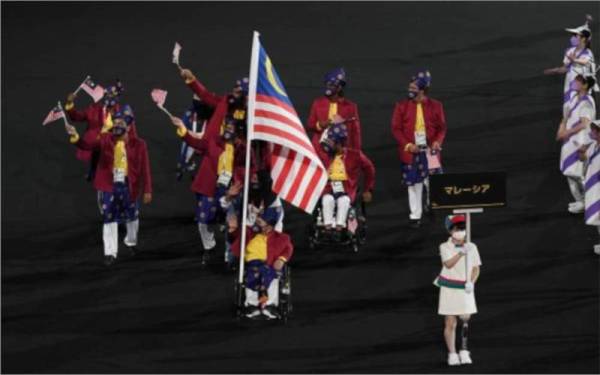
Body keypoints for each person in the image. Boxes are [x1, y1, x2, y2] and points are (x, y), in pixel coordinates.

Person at [65, 105, 152, 265]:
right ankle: (110, 252)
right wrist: (76, 137)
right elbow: (87, 146)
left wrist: (147, 190)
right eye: (116, 121)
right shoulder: (105, 138)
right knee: (109, 218)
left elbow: (145, 169)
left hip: (129, 186)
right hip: (109, 186)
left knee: (132, 217)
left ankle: (131, 242)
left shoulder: (140, 144)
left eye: (121, 122)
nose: (117, 125)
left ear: (129, 125)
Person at [171, 115, 246, 256]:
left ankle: (230, 255)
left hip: (231, 191)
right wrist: (182, 127)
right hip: (211, 189)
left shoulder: (241, 148)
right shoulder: (213, 142)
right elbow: (194, 142)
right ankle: (209, 247)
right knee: (203, 220)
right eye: (226, 127)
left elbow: (248, 164)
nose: (227, 130)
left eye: (231, 128)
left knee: (232, 224)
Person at [391, 70, 447, 228]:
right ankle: (415, 215)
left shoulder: (436, 106)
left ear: (422, 89)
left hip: (430, 150)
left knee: (431, 182)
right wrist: (408, 145)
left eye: (413, 87)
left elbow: (442, 128)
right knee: (414, 185)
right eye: (410, 87)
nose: (410, 90)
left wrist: (437, 141)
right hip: (411, 151)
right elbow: (396, 129)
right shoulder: (401, 106)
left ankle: (430, 204)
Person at [434, 215, 482, 366]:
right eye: (457, 229)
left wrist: (472, 283)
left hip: (465, 289)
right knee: (450, 322)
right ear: (450, 231)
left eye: (462, 228)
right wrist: (462, 252)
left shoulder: (472, 246)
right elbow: (448, 264)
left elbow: (476, 268)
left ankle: (464, 350)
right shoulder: (444, 246)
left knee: (465, 320)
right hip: (449, 287)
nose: (461, 231)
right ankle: (452, 353)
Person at [231, 206, 293, 319]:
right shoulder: (250, 233)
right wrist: (234, 228)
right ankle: (252, 304)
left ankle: (270, 305)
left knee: (272, 274)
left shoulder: (282, 237)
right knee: (252, 274)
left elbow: (288, 249)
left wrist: (282, 259)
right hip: (252, 264)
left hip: (270, 264)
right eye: (262, 225)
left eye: (267, 225)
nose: (264, 228)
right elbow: (236, 236)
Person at [317, 121, 375, 231]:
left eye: (331, 142)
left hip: (346, 189)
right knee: (327, 199)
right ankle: (328, 226)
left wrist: (368, 189)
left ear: (339, 143)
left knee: (343, 201)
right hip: (328, 188)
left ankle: (340, 226)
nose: (327, 145)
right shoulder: (324, 156)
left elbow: (369, 168)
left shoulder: (355, 155)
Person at [65, 81, 125, 180]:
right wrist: (69, 103)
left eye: (113, 95)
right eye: (108, 95)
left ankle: (116, 179)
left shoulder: (122, 113)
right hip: (97, 142)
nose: (110, 98)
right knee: (95, 158)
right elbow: (76, 117)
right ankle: (93, 174)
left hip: (114, 145)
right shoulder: (94, 109)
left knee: (116, 168)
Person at [556, 74, 597, 214]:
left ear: (585, 85)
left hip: (579, 142)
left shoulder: (586, 102)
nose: (574, 82)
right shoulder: (574, 98)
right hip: (570, 141)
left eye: (578, 81)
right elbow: (566, 116)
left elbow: (584, 124)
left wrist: (566, 133)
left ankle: (590, 202)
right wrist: (562, 129)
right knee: (569, 172)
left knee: (578, 174)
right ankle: (580, 201)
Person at [178, 67, 248, 142]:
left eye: (239, 92)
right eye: (235, 88)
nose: (234, 93)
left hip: (242, 150)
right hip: (220, 148)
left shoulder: (253, 111)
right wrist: (191, 79)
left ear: (246, 95)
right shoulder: (225, 102)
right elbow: (205, 95)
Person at [544, 15, 597, 102]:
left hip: (583, 89)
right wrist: (555, 70)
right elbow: (565, 68)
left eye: (575, 35)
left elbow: (585, 61)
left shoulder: (588, 53)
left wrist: (575, 60)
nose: (572, 38)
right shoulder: (569, 51)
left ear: (583, 39)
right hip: (569, 87)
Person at [307, 68, 362, 151]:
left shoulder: (351, 107)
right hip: (320, 152)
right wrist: (320, 125)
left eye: (332, 85)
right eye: (328, 84)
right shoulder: (318, 103)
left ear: (340, 87)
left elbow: (355, 134)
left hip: (340, 153)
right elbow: (309, 125)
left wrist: (355, 153)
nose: (329, 87)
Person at [176, 94, 214, 181]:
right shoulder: (190, 112)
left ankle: (198, 174)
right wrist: (192, 134)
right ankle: (182, 168)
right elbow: (183, 126)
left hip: (204, 141)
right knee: (185, 154)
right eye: (195, 102)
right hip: (191, 138)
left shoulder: (210, 112)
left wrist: (201, 135)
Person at [580, 119, 600, 255]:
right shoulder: (594, 146)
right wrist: (581, 153)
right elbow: (586, 160)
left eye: (594, 130)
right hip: (594, 189)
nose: (591, 131)